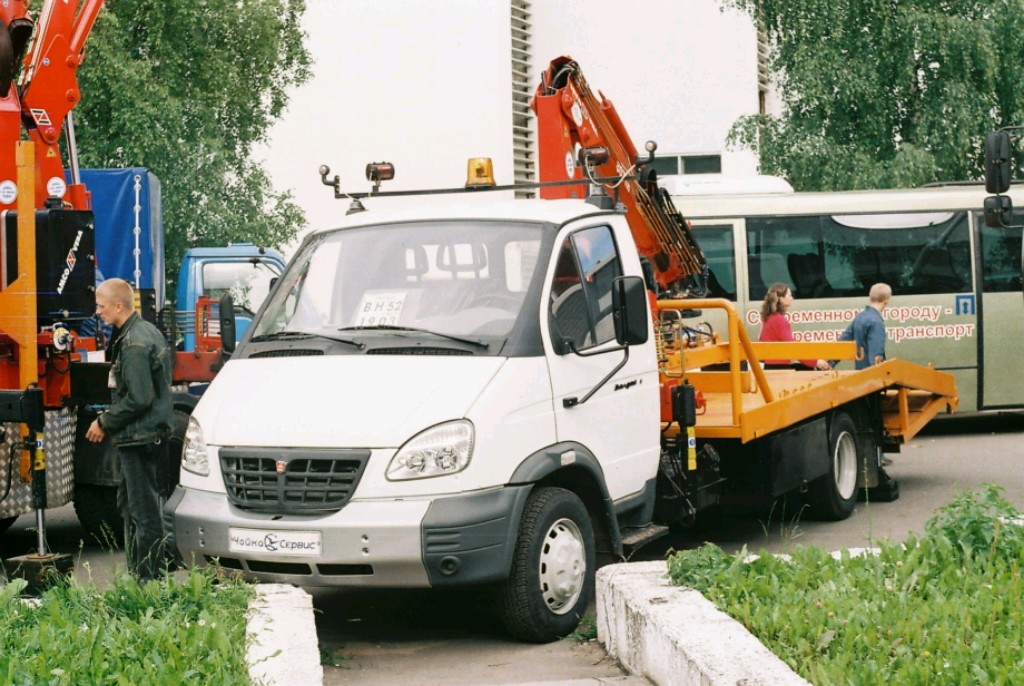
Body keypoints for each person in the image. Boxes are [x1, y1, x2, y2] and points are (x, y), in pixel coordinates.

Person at [84, 278, 174, 582]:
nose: (98, 312)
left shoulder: (135, 343)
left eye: (101, 305)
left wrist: (103, 422)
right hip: (141, 435)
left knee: (144, 513)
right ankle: (141, 578)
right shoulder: (140, 333)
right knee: (131, 506)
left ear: (118, 306)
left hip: (139, 437)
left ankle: (149, 585)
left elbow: (139, 397)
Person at [758, 283, 831, 370]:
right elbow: (793, 348)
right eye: (789, 296)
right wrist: (816, 362)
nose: (792, 298)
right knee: (808, 369)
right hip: (779, 369)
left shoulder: (768, 318)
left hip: (770, 366)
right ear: (781, 299)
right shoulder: (779, 320)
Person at [832, 282, 892, 370]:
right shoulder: (877, 323)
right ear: (886, 300)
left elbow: (843, 343)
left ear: (870, 298)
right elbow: (876, 357)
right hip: (871, 378)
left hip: (860, 375)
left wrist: (829, 363)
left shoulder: (859, 317)